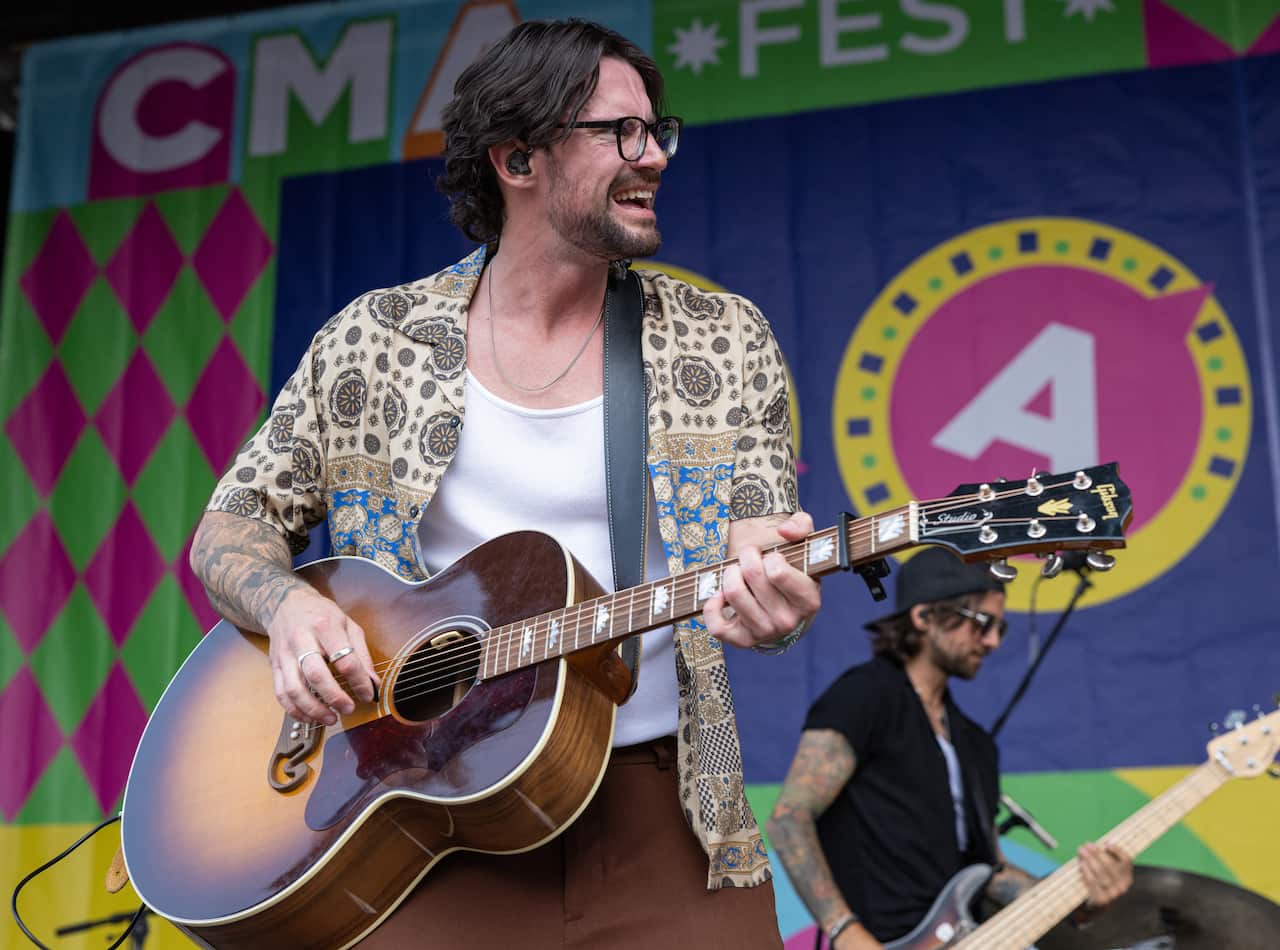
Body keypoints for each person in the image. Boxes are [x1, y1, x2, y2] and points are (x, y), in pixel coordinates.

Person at [188, 17, 820, 948]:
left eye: (657, 131)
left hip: (663, 812)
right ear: (517, 159)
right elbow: (230, 528)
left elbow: (764, 562)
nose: (653, 156)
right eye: (620, 133)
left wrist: (776, 604)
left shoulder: (725, 341)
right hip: (417, 819)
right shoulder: (374, 340)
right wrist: (287, 610)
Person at [766, 547, 1131, 948]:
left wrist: (1077, 902)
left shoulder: (974, 744)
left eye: (1001, 628)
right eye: (981, 623)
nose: (992, 641)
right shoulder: (864, 696)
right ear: (924, 616)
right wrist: (845, 932)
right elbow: (789, 820)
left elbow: (987, 872)